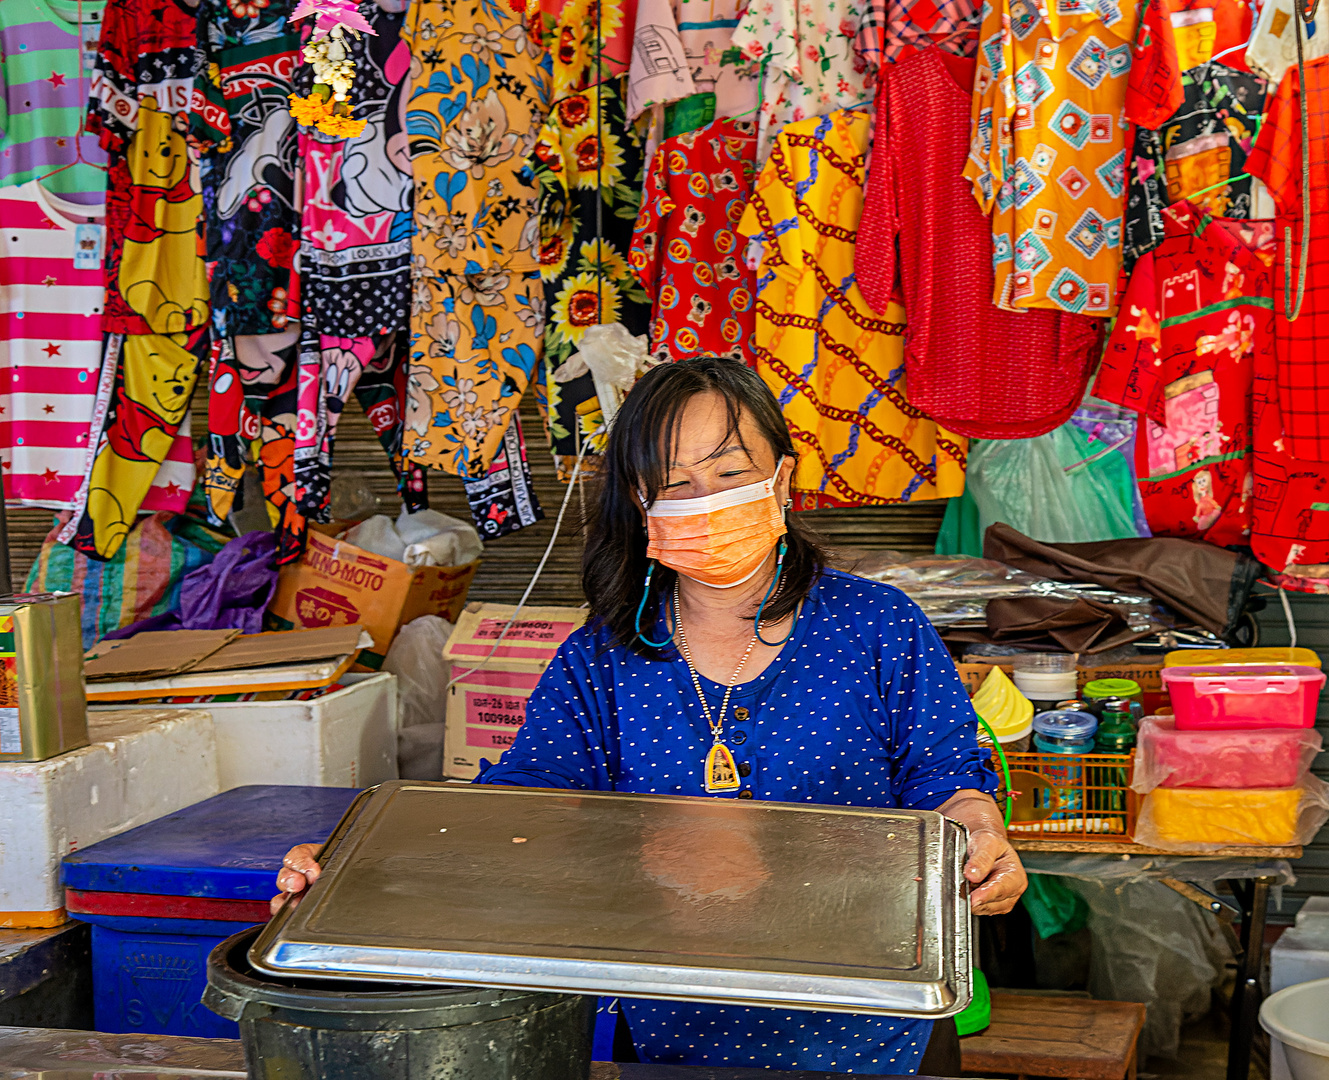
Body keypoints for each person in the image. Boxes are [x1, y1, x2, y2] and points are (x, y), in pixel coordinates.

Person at [275, 356, 1027, 1073]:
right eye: (675, 483)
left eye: (730, 473)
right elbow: (520, 810)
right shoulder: (598, 659)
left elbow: (943, 772)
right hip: (674, 1027)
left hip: (875, 1023)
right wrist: (355, 866)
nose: (705, 500)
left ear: (782, 479)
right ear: (640, 506)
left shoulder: (877, 625)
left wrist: (980, 828)